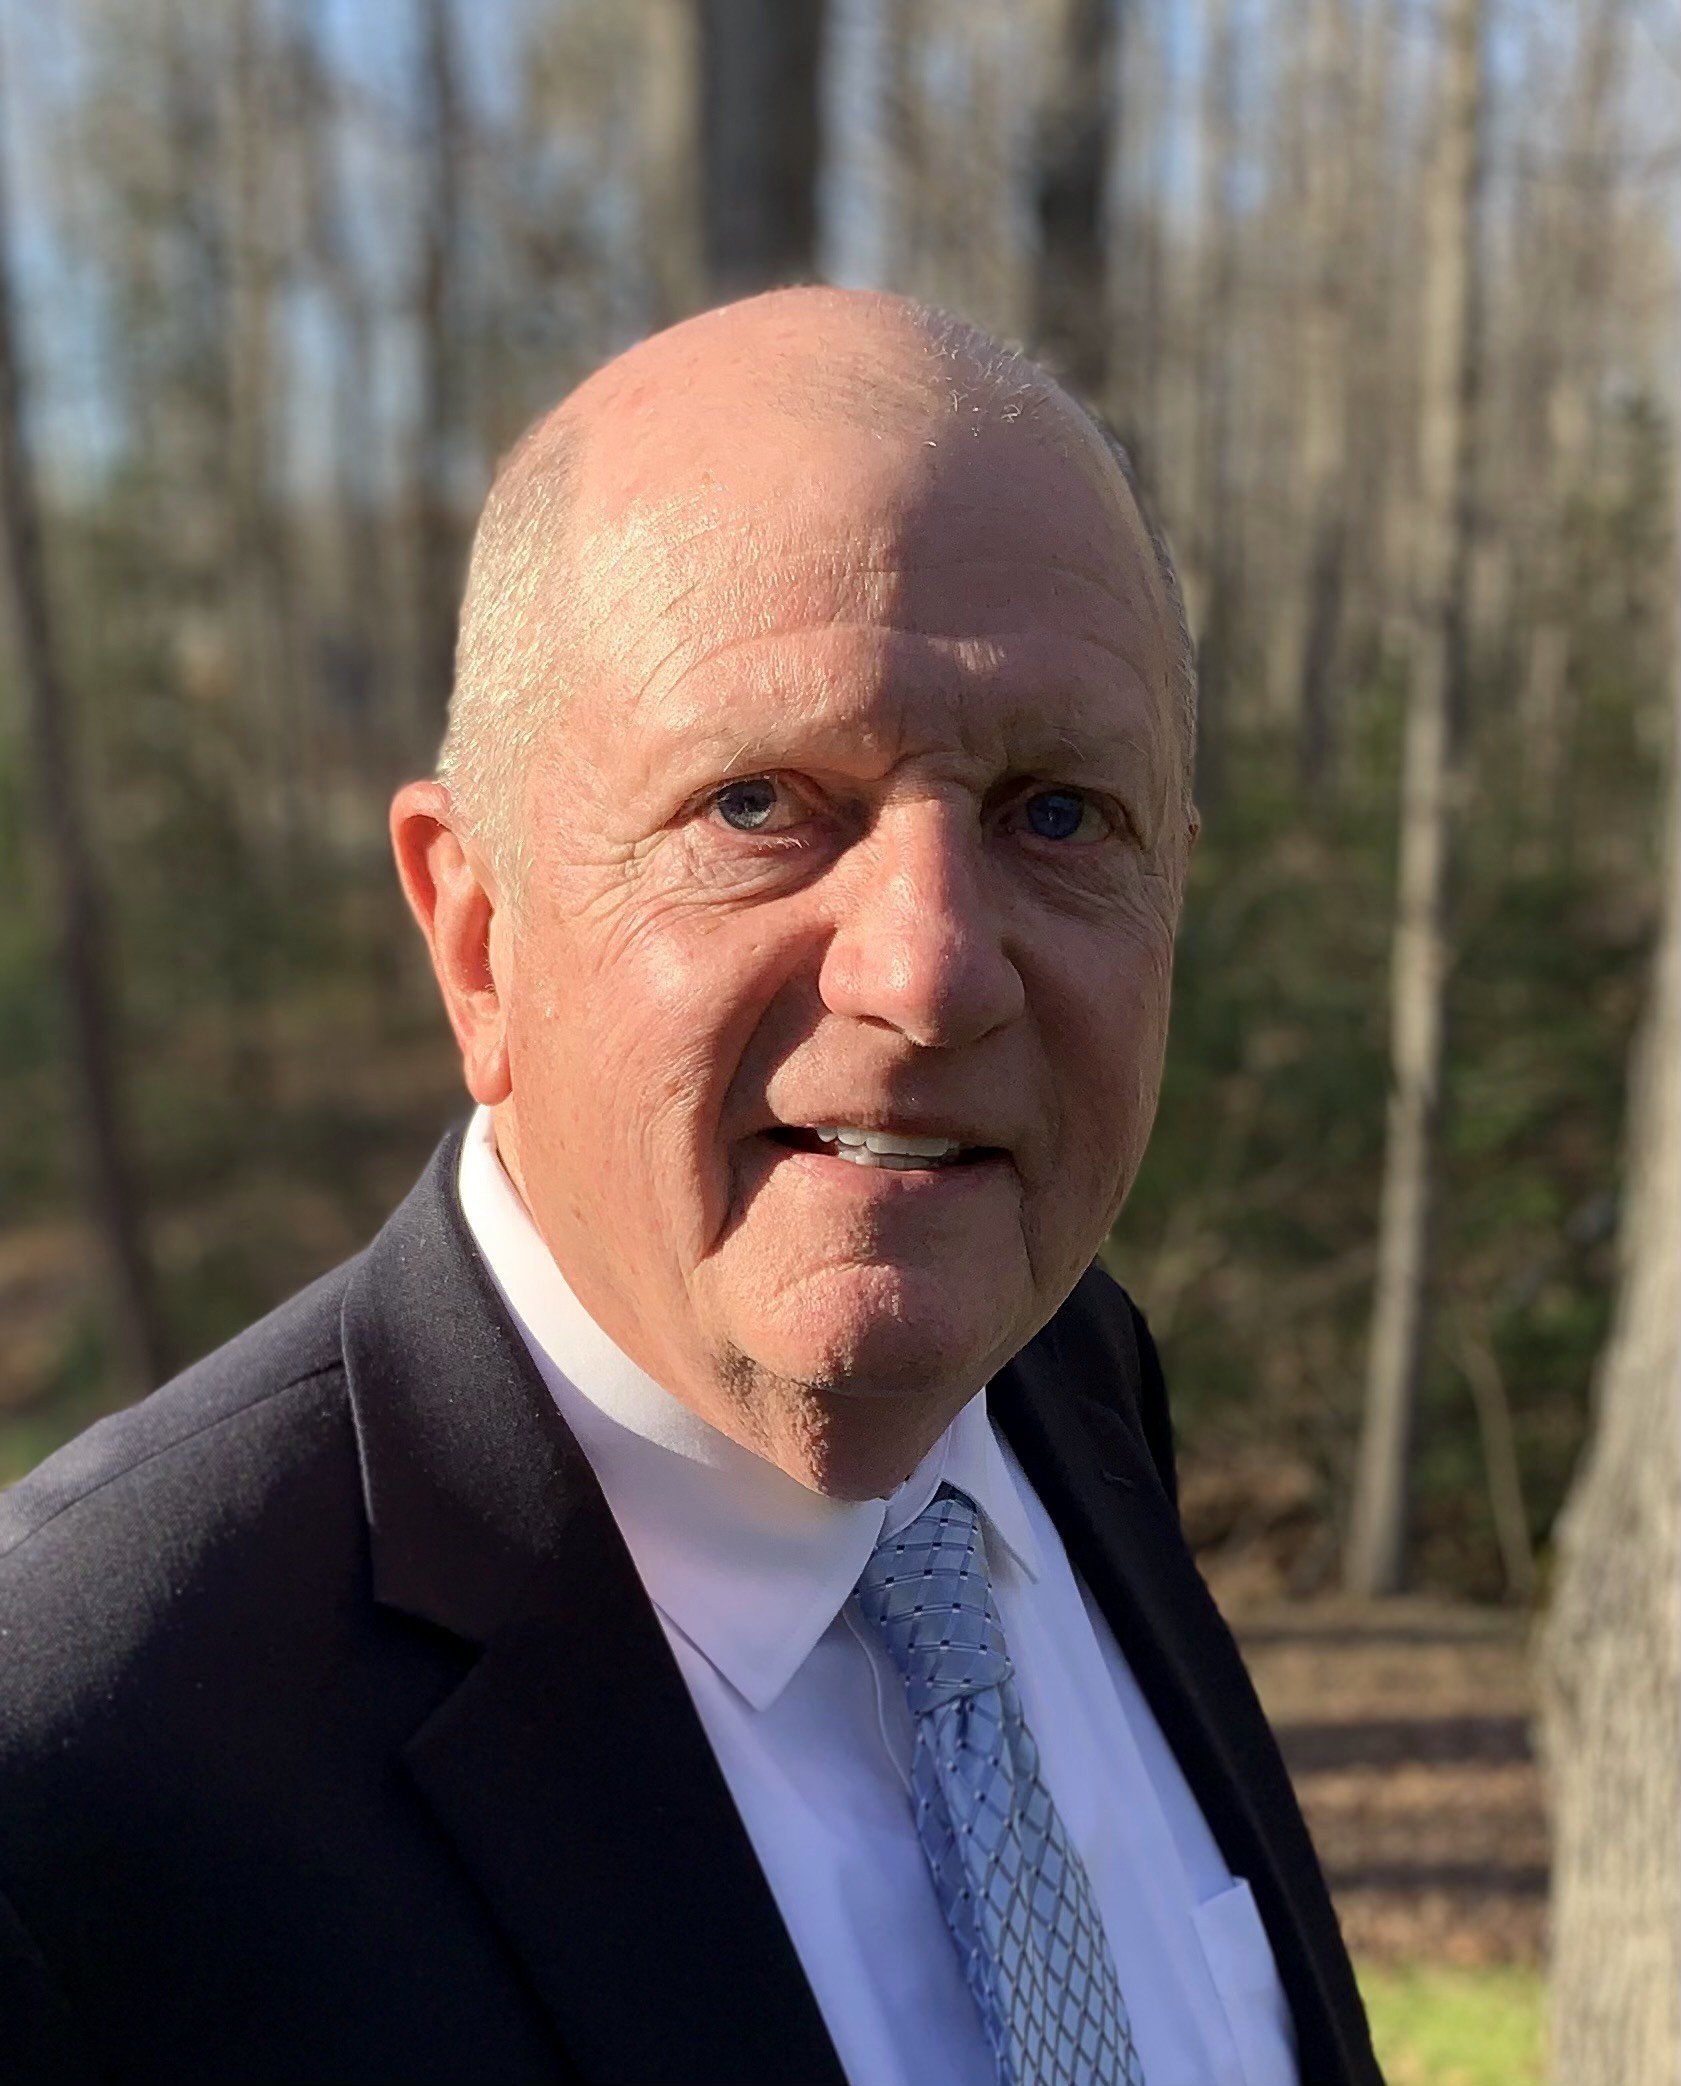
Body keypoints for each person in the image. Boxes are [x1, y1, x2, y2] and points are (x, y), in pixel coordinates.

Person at [0, 288, 1379, 2085]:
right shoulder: (83, 1778)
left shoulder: (1061, 1376)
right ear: (477, 937)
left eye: (1056, 812)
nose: (932, 968)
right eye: (759, 804)